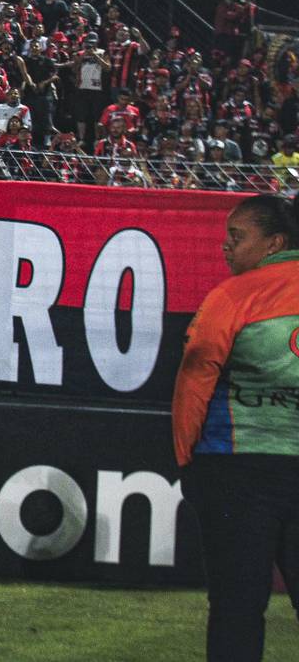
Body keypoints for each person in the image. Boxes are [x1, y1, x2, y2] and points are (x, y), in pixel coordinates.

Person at [172, 194, 299, 662]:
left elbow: (195, 374)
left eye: (237, 236)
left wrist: (187, 458)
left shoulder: (232, 296)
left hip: (236, 469)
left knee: (237, 607)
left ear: (274, 243)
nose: (225, 246)